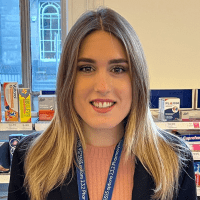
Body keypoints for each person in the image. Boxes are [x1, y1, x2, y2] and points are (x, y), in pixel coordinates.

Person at [8, 7, 197, 200]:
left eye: (118, 69)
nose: (102, 86)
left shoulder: (174, 159)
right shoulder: (30, 157)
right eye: (86, 68)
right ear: (67, 80)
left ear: (137, 80)